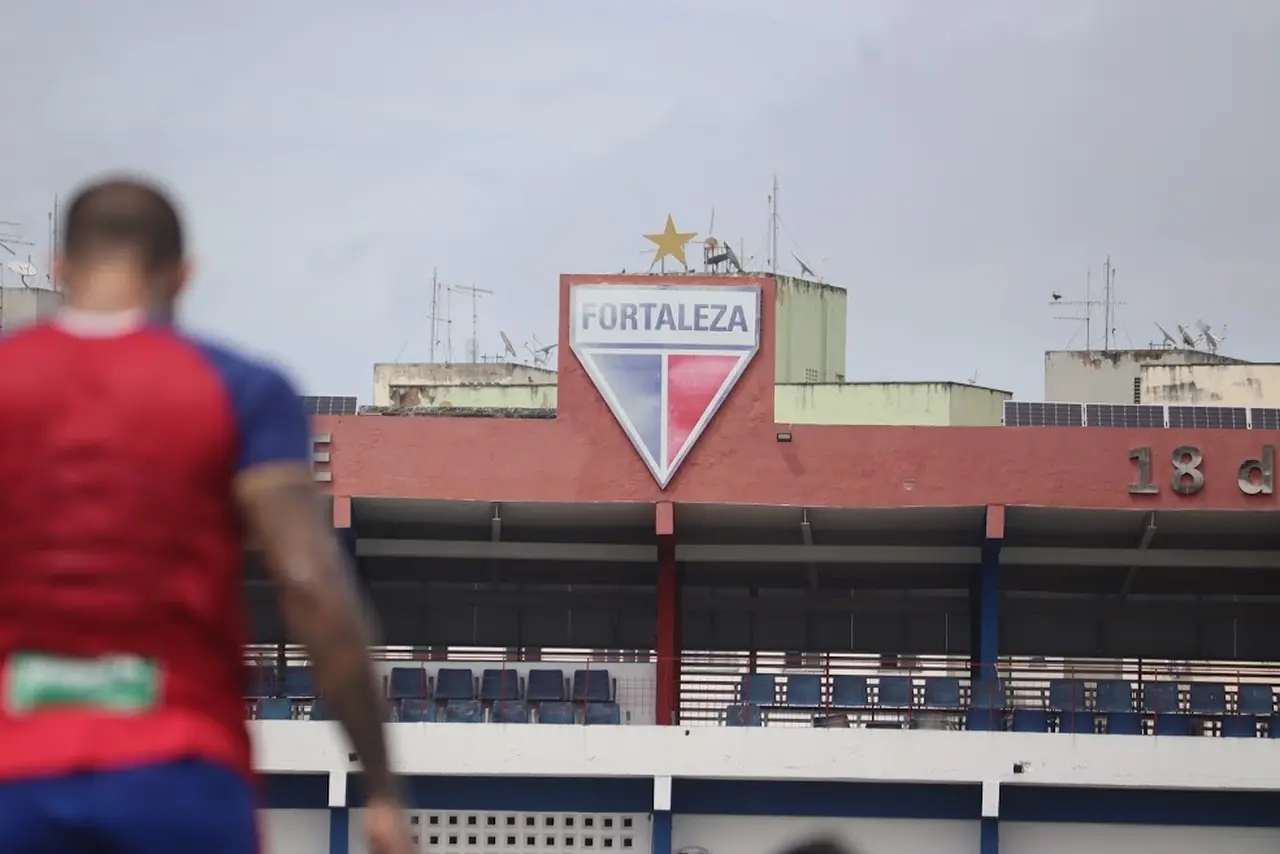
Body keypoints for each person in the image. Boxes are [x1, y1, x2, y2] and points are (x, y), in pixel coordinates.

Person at [0, 176, 413, 854]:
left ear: (59, 269)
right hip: (179, 776)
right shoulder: (241, 388)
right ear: (184, 275)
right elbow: (310, 583)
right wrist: (384, 788)